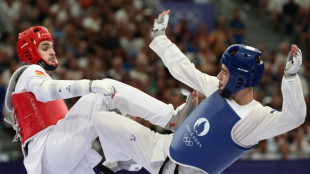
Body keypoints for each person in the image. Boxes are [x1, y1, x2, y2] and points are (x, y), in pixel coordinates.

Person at [94, 10, 306, 174]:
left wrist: (290, 78)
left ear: (241, 78)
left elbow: (293, 118)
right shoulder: (217, 88)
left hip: (176, 170)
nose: (219, 77)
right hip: (161, 147)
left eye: (224, 72)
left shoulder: (253, 119)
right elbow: (183, 68)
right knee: (102, 120)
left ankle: (123, 160)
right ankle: (121, 162)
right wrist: (159, 37)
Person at [4, 26, 194, 174]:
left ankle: (117, 160)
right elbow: (47, 91)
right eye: (45, 47)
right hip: (49, 151)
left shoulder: (31, 82)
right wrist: (90, 85)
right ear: (30, 52)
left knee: (105, 117)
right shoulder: (29, 72)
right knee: (104, 92)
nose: (53, 51)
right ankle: (170, 117)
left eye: (52, 46)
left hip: (52, 164)